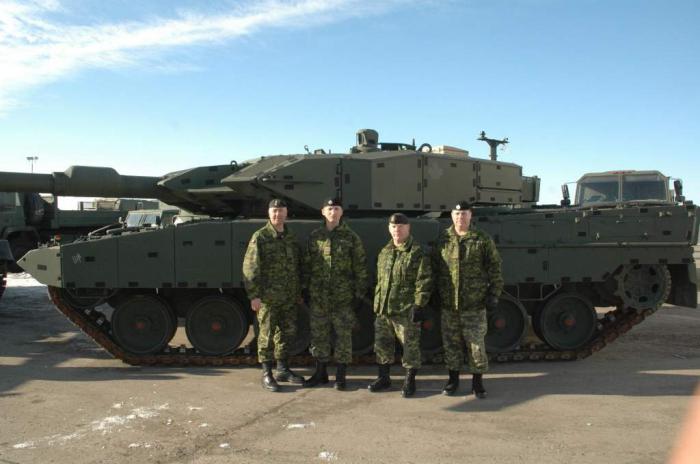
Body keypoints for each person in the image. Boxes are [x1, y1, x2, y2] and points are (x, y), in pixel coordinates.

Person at [432, 201, 503, 398]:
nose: (460, 218)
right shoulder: (443, 239)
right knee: (451, 345)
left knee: (476, 346)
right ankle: (453, 381)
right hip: (449, 305)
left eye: (463, 214)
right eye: (456, 214)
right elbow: (435, 269)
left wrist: (493, 295)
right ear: (451, 216)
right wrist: (434, 294)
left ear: (470, 216)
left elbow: (495, 268)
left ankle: (477, 383)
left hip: (474, 304)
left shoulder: (481, 239)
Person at [302, 198, 368, 390]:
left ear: (341, 212)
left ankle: (340, 375)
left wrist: (358, 294)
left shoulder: (351, 237)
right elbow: (307, 265)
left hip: (343, 298)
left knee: (343, 337)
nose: (333, 212)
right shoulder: (315, 236)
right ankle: (320, 373)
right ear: (323, 211)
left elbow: (360, 267)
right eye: (329, 208)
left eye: (336, 208)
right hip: (319, 296)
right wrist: (306, 289)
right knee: (319, 336)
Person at [242, 198, 305, 392]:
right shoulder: (260, 236)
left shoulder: (291, 237)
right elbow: (250, 267)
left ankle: (283, 369)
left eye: (281, 211)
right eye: (274, 211)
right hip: (268, 297)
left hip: (288, 296)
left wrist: (298, 291)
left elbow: (298, 266)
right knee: (266, 336)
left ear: (286, 213)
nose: (278, 214)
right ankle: (267, 373)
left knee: (287, 334)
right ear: (269, 214)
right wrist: (254, 295)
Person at [368, 213, 432, 398]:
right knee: (382, 345)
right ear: (389, 229)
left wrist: (419, 305)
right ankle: (384, 378)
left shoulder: (417, 252)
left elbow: (424, 280)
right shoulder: (385, 251)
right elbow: (380, 280)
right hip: (384, 309)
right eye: (394, 227)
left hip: (405, 309)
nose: (397, 230)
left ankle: (409, 381)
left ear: (408, 228)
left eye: (401, 227)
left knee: (410, 347)